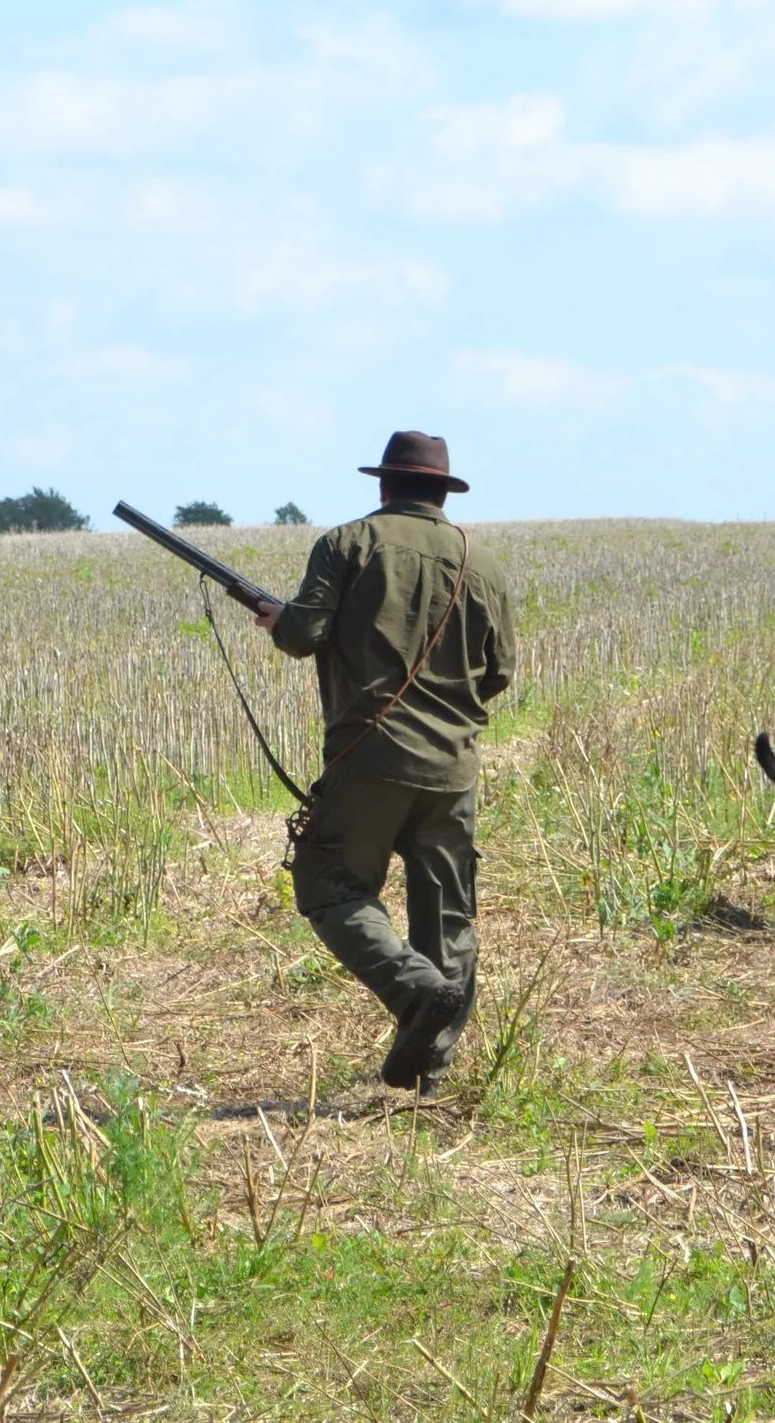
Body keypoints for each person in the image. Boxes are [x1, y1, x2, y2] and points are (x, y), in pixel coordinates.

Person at [254, 432, 515, 1093]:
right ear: (441, 491)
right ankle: (434, 1071)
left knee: (330, 887)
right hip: (453, 769)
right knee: (447, 918)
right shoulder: (481, 563)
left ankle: (416, 991)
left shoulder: (347, 544)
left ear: (384, 484)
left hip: (368, 759)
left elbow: (302, 635)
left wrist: (278, 620)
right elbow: (499, 672)